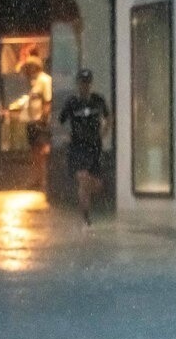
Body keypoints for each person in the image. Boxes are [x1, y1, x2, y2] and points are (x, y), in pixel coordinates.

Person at [59, 69, 108, 225]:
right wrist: (65, 136)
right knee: (82, 178)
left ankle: (88, 211)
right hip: (77, 147)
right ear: (78, 84)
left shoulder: (98, 100)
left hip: (94, 147)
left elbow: (109, 117)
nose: (84, 86)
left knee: (95, 184)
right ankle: (86, 218)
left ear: (90, 84)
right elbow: (60, 121)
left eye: (87, 83)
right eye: (82, 83)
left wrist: (104, 132)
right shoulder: (72, 103)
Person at [17, 54, 52, 190]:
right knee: (35, 151)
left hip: (40, 121)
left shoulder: (44, 80)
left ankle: (43, 180)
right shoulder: (33, 81)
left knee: (42, 151)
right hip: (32, 120)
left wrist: (43, 118)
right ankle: (37, 178)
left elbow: (47, 101)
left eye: (29, 67)